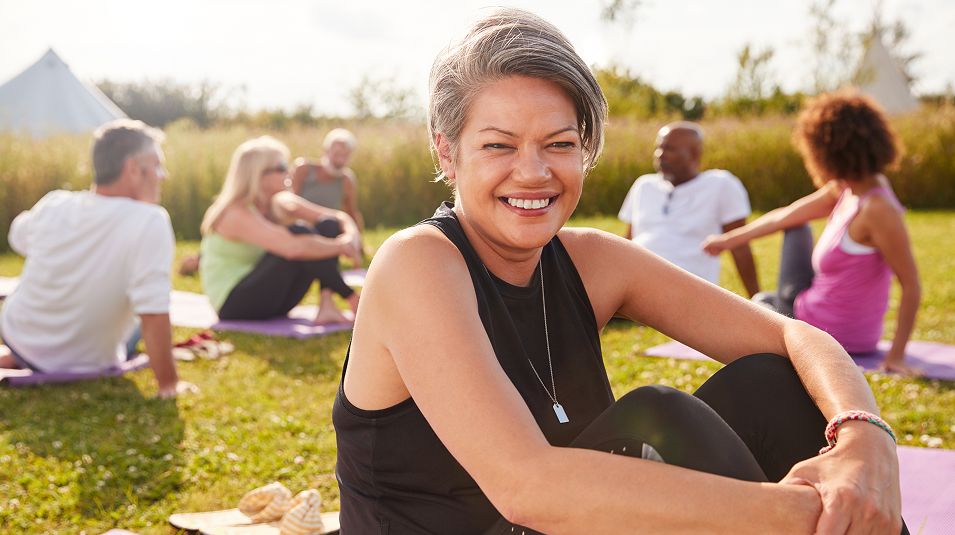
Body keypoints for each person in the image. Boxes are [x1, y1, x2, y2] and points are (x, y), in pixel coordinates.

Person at [332, 9, 907, 535]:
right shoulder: (417, 264)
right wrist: (815, 512)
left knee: (768, 382)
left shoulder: (592, 261)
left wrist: (862, 437)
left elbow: (793, 335)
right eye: (498, 146)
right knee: (658, 414)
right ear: (446, 153)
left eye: (558, 143)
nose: (532, 173)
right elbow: (527, 486)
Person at [702, 91, 921, 376]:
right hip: (827, 318)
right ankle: (768, 307)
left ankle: (766, 308)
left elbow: (911, 285)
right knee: (792, 233)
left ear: (827, 153)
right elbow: (785, 215)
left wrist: (897, 356)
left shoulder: (877, 210)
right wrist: (727, 241)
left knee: (760, 304)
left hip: (824, 330)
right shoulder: (850, 189)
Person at [0, 119, 193, 398]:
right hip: (85, 359)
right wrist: (169, 385)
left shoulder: (55, 203)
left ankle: (24, 357)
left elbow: (18, 237)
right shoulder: (150, 220)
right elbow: (152, 313)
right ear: (133, 169)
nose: (163, 175)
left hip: (20, 336)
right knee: (136, 325)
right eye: (157, 166)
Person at [199, 136, 362, 325]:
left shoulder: (280, 202)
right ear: (259, 174)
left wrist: (350, 237)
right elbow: (293, 248)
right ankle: (354, 300)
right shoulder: (234, 213)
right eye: (283, 166)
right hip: (235, 304)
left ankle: (327, 305)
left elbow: (338, 218)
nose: (290, 171)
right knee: (299, 233)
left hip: (274, 301)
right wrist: (341, 247)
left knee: (327, 225)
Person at [618, 122, 760, 297]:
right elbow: (628, 241)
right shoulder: (644, 185)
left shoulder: (721, 185)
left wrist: (756, 298)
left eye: (670, 149)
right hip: (632, 285)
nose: (660, 155)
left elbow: (739, 247)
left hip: (687, 291)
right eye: (658, 148)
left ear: (694, 154)